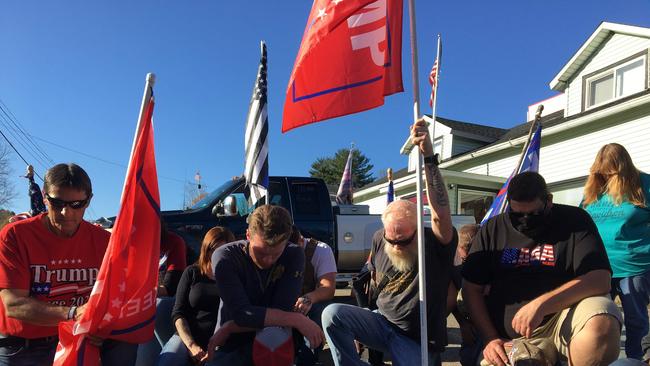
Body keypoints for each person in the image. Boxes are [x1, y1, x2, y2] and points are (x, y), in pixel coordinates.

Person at [322, 118, 457, 366]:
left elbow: (440, 213)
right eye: (391, 238)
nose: (395, 246)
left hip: (417, 338)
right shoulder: (378, 239)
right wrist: (362, 324)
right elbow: (372, 281)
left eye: (403, 240)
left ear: (417, 229)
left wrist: (428, 156)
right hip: (381, 322)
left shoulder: (435, 241)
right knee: (333, 314)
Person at [462, 171, 622, 366]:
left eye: (534, 214)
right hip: (507, 339)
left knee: (603, 316)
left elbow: (600, 279)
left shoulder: (575, 221)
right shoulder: (493, 228)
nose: (525, 220)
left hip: (561, 322)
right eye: (517, 215)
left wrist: (542, 305)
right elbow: (471, 288)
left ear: (549, 201)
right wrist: (490, 338)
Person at [0, 163, 138, 365]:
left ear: (88, 201)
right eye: (57, 203)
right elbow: (13, 304)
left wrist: (104, 326)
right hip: (24, 346)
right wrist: (74, 314)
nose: (66, 213)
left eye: (76, 205)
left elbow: (119, 296)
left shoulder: (105, 242)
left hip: (79, 338)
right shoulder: (15, 236)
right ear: (45, 197)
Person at [206, 205, 324, 366]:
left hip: (274, 341)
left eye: (276, 254)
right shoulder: (225, 257)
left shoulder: (294, 254)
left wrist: (231, 326)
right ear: (248, 235)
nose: (268, 260)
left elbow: (281, 309)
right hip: (232, 344)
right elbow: (242, 313)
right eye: (260, 252)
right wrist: (296, 319)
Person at [581, 143, 650, 360]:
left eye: (610, 173)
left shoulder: (644, 184)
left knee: (635, 320)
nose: (605, 177)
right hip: (599, 268)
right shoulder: (594, 190)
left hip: (633, 266)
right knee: (600, 318)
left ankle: (635, 361)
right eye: (601, 173)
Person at [158, 226, 235, 365]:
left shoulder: (236, 278)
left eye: (223, 250)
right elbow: (178, 313)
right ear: (206, 250)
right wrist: (191, 345)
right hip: (188, 337)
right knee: (168, 360)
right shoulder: (192, 273)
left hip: (222, 341)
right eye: (213, 250)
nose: (217, 255)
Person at [135, 221, 187, 366]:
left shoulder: (174, 242)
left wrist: (137, 294)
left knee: (154, 308)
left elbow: (171, 288)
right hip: (146, 301)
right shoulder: (135, 246)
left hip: (172, 300)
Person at [289, 226, 337, 366]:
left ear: (300, 240)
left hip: (306, 303)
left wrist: (308, 299)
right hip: (283, 303)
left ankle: (308, 359)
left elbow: (328, 288)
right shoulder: (272, 251)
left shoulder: (321, 250)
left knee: (321, 310)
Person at [447, 224, 479, 366]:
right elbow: (452, 298)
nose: (466, 261)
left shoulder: (490, 259)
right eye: (464, 258)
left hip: (492, 324)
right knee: (468, 358)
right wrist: (463, 323)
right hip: (470, 326)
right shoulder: (454, 265)